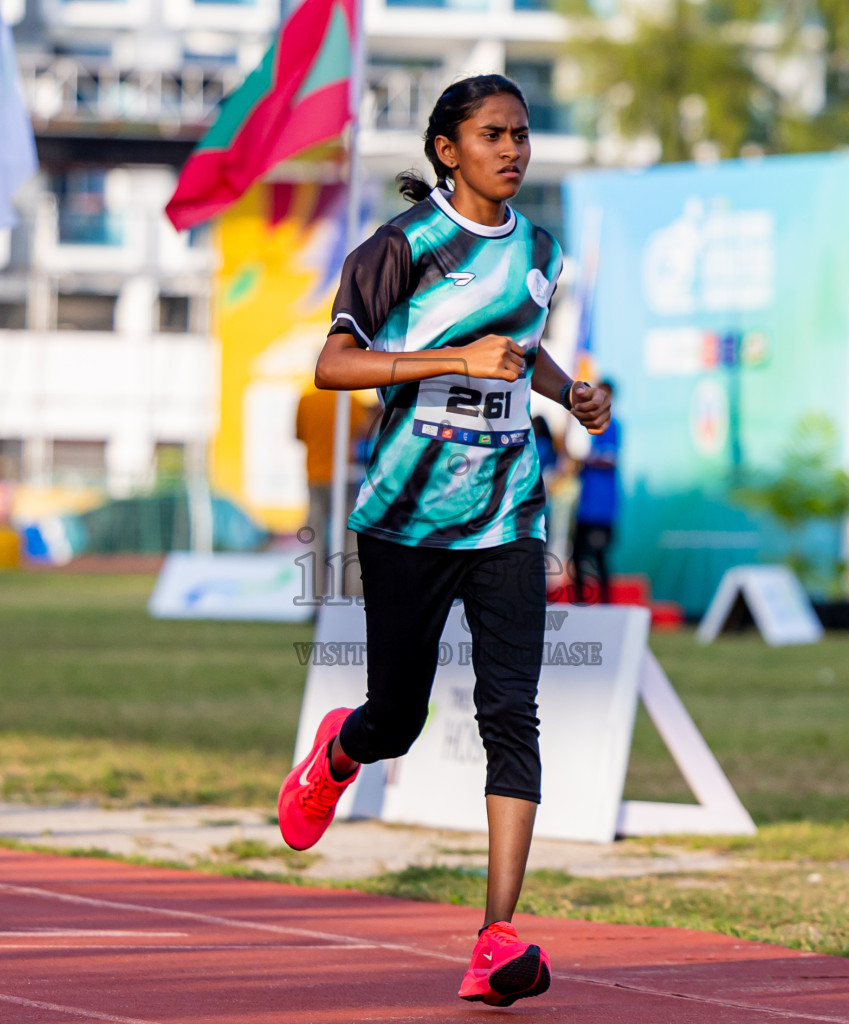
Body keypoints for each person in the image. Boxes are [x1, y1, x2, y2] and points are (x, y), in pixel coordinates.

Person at [278, 74, 610, 1007]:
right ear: (447, 150)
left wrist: (568, 393)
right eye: (493, 134)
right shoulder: (401, 248)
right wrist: (449, 360)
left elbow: (522, 342)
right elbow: (334, 363)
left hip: (508, 515)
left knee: (513, 713)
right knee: (401, 717)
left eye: (522, 133)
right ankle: (342, 748)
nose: (512, 148)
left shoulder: (542, 250)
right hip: (406, 518)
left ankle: (496, 935)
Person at [295, 386, 376, 595]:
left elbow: (299, 435)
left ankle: (315, 600)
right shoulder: (352, 402)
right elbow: (364, 432)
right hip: (345, 478)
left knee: (316, 540)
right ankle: (351, 595)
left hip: (316, 478)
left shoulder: (306, 400)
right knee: (351, 541)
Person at [571, 380, 620, 604]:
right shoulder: (587, 426)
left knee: (599, 557)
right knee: (578, 557)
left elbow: (610, 459)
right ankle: (582, 604)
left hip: (602, 509)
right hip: (585, 507)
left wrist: (583, 458)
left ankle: (606, 606)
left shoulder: (612, 425)